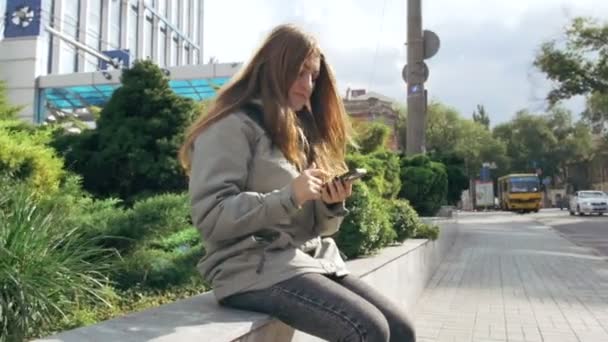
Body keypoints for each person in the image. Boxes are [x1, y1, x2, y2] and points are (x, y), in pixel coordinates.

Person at [179, 24, 416, 342]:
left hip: (305, 260)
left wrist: (330, 204)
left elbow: (318, 229)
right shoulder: (230, 125)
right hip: (248, 266)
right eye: (300, 72)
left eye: (314, 76)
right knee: (368, 331)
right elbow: (211, 217)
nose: (308, 85)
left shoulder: (296, 132)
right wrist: (290, 195)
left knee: (401, 331)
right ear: (274, 68)